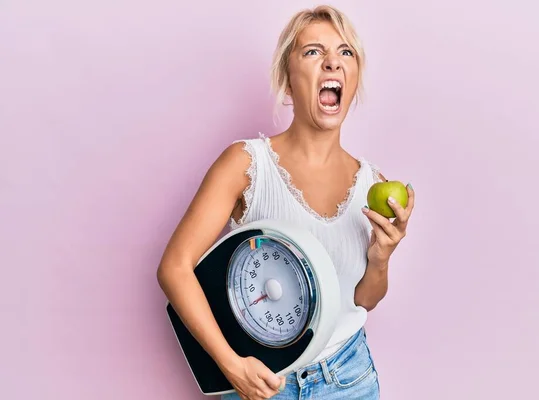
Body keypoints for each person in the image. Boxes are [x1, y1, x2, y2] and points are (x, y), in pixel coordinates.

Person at [157, 5, 414, 400]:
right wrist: (230, 364)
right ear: (288, 82)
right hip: (260, 382)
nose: (332, 62)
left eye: (345, 53)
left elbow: (363, 300)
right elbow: (174, 268)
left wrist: (382, 257)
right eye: (313, 52)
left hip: (349, 379)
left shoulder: (372, 184)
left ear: (355, 75)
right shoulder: (246, 164)